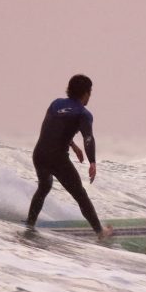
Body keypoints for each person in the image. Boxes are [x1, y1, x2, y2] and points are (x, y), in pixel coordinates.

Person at [26, 74, 113, 240]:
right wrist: (92, 162)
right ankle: (100, 232)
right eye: (90, 92)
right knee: (80, 195)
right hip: (58, 159)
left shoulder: (56, 104)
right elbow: (88, 138)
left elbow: (53, 130)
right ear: (86, 93)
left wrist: (72, 145)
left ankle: (30, 224)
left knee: (44, 187)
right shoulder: (83, 113)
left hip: (39, 154)